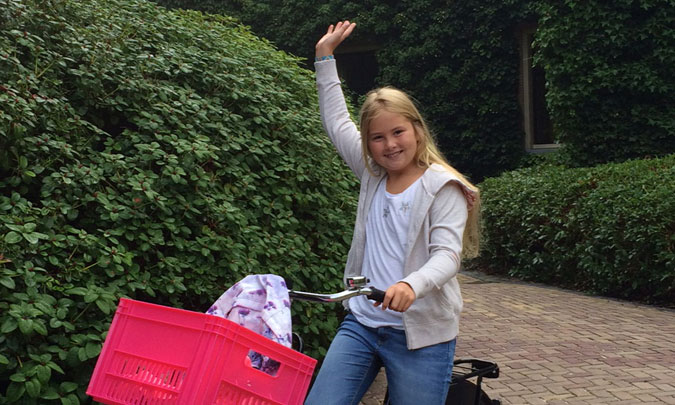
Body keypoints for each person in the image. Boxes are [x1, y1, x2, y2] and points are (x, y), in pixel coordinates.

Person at [305, 21, 481, 405]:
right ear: (368, 143)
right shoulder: (371, 174)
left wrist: (409, 285)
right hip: (362, 325)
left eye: (398, 132)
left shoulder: (443, 186)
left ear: (417, 130)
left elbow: (448, 255)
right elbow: (337, 122)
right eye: (377, 137)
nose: (390, 144)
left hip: (420, 336)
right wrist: (324, 57)